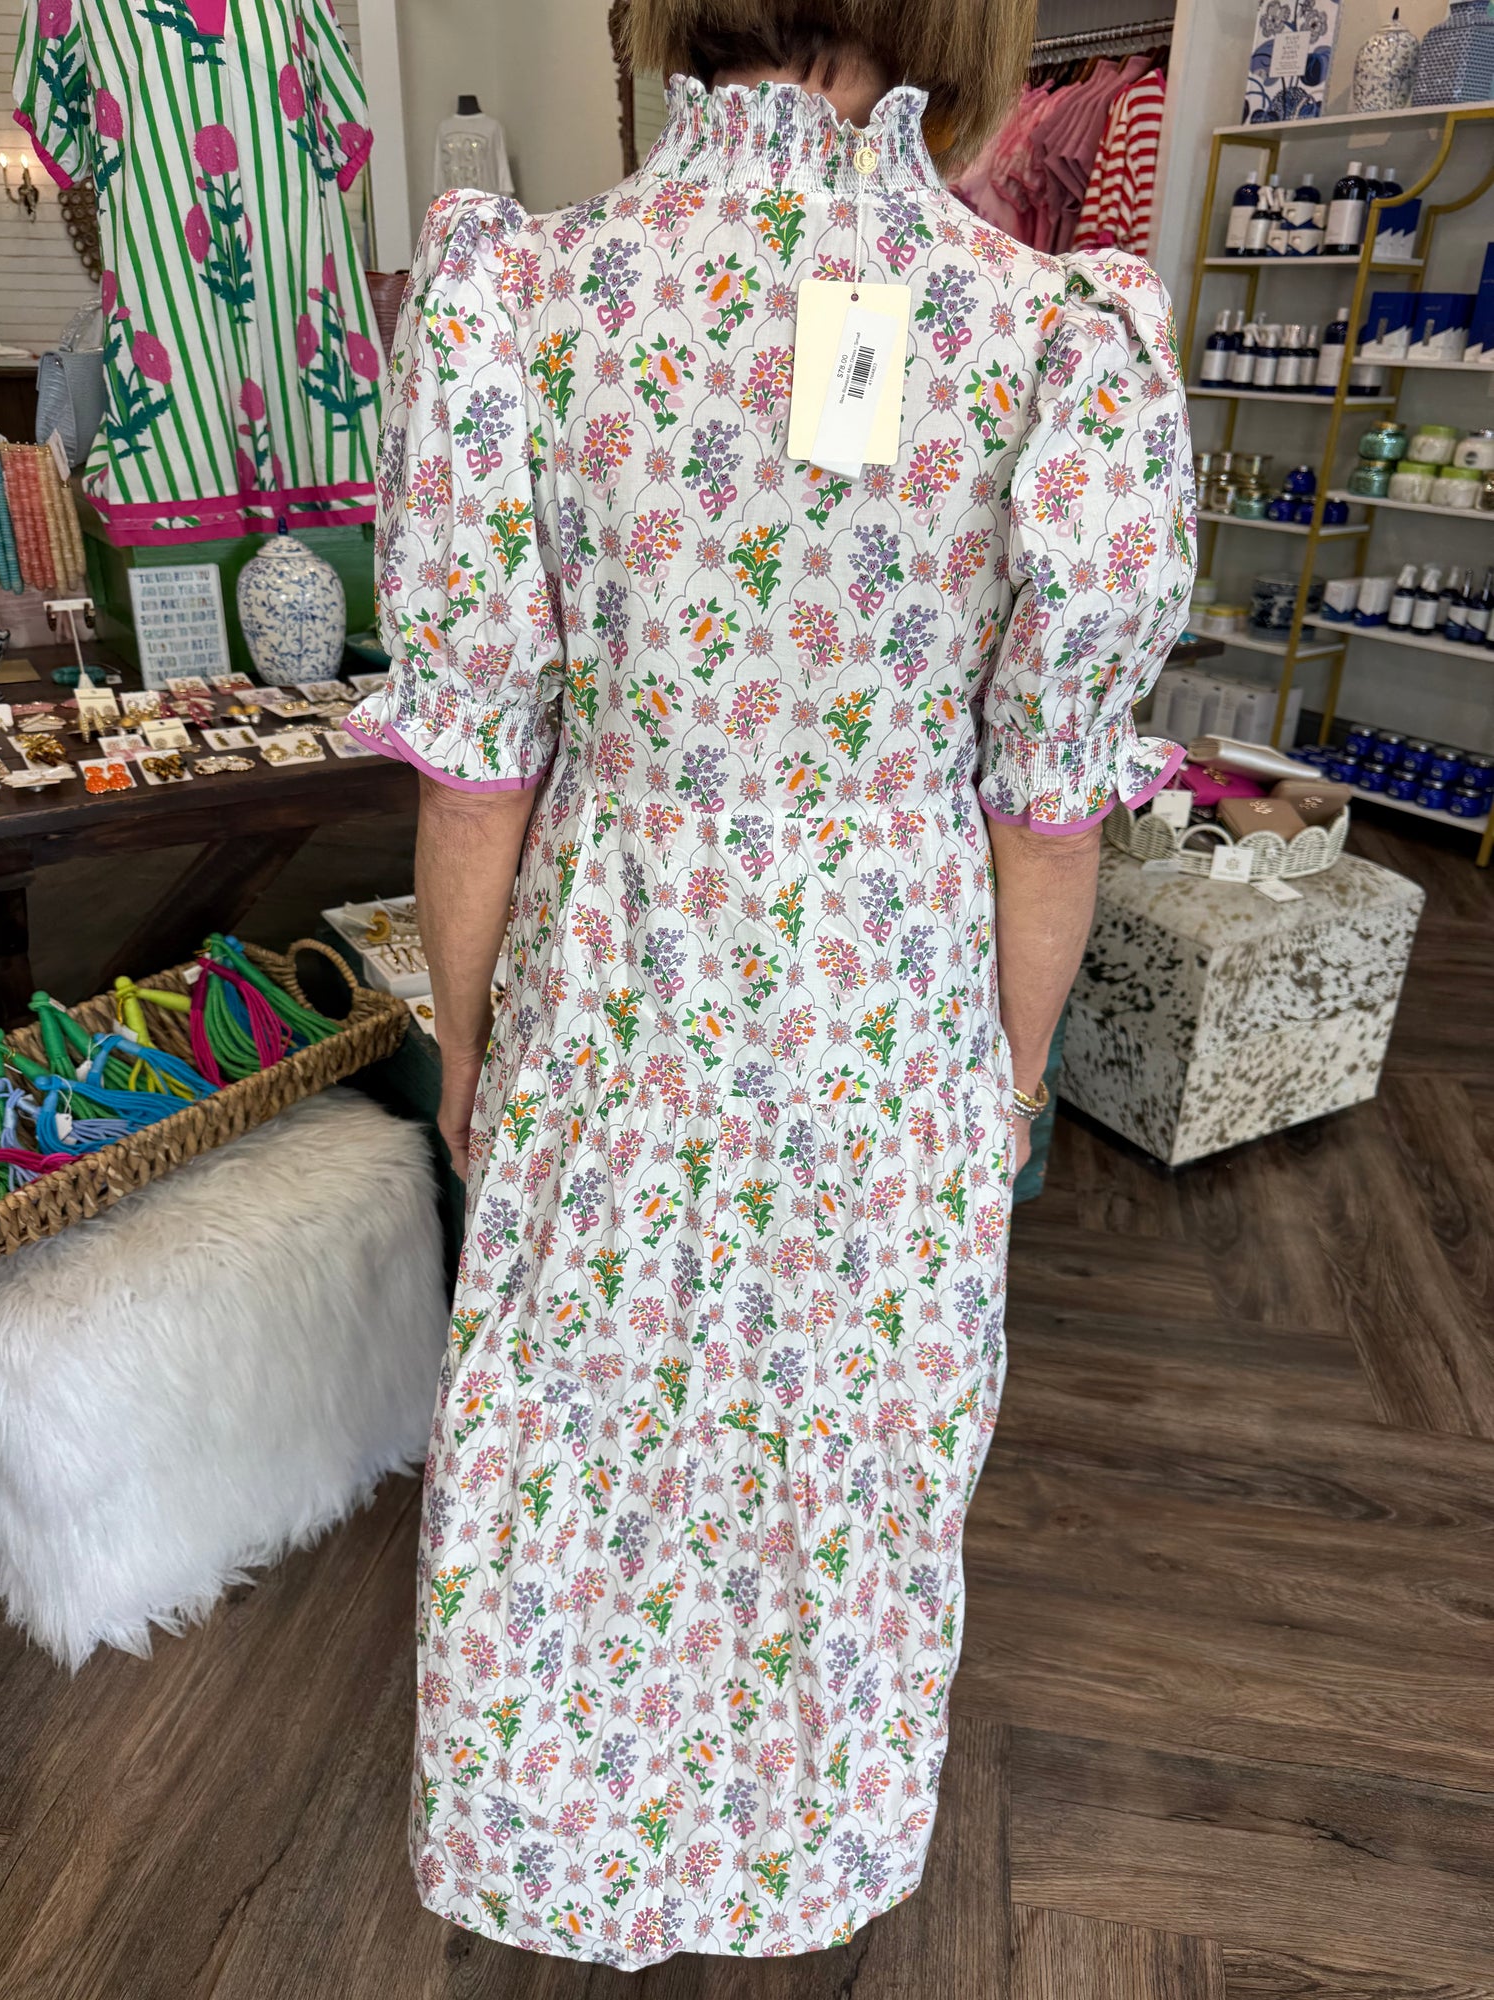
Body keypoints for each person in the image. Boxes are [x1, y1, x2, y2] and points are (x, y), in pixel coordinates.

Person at [343, 0, 1194, 1969]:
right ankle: (803, 1852)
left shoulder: (524, 302)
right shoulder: (1048, 339)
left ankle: (579, 1850)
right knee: (853, 1460)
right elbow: (1046, 814)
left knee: (580, 1449)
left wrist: (470, 1047)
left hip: (607, 1003)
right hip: (892, 1024)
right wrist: (1008, 1082)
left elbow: (475, 777)